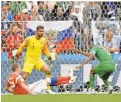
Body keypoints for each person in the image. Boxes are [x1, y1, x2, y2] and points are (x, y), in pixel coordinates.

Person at [16, 25, 53, 93]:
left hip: (38, 60)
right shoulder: (29, 39)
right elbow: (21, 46)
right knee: (23, 77)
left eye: (43, 31)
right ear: (36, 31)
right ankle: (18, 91)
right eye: (40, 31)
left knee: (48, 71)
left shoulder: (43, 40)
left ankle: (48, 89)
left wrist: (50, 59)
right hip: (29, 61)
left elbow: (46, 50)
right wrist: (16, 55)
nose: (42, 33)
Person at [5, 63, 76, 95]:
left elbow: (7, 88)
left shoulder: (10, 77)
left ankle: (69, 81)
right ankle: (69, 77)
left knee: (47, 82)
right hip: (29, 90)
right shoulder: (18, 77)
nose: (20, 69)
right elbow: (24, 87)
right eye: (20, 68)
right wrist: (33, 94)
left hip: (28, 89)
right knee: (47, 80)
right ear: (17, 68)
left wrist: (15, 93)